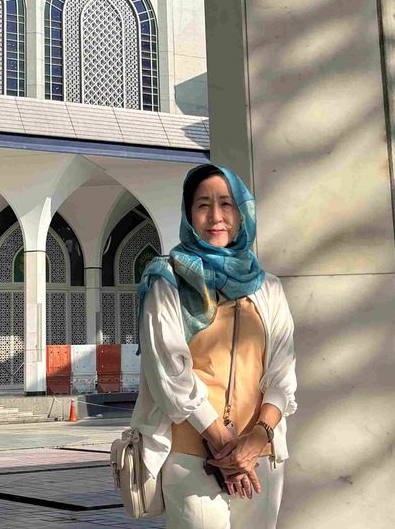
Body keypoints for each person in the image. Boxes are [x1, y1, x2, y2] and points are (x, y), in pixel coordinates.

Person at [131, 163, 297, 528]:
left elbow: (282, 376)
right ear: (189, 214)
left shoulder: (268, 287)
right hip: (192, 456)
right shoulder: (166, 280)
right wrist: (224, 444)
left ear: (241, 213)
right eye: (203, 205)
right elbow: (169, 373)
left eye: (226, 204)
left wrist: (256, 439)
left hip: (259, 455)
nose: (215, 216)